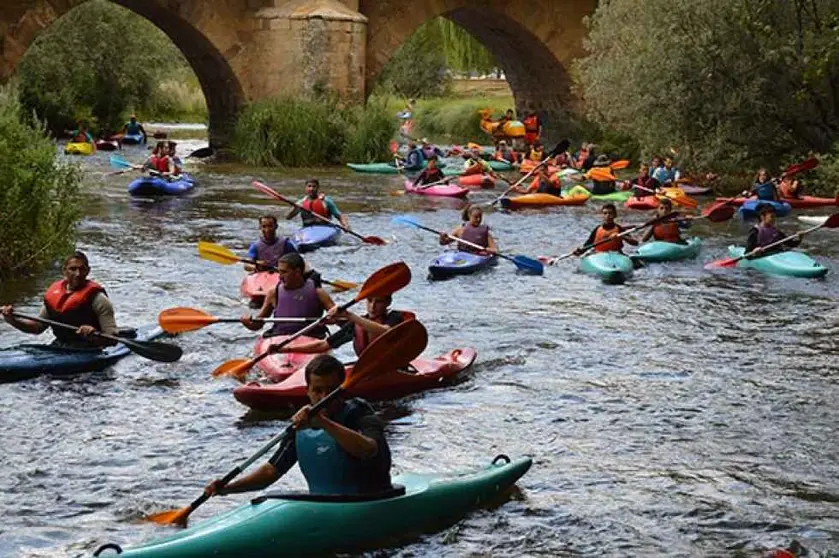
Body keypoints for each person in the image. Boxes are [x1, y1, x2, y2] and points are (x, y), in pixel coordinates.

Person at [204, 354, 392, 497]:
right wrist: (228, 488)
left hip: (371, 499)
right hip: (325, 505)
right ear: (307, 391)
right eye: (318, 390)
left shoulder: (359, 412)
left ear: (341, 390)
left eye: (331, 390)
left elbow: (369, 449)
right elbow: (271, 471)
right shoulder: (301, 424)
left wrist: (324, 423)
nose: (324, 397)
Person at [1, 251, 117, 348]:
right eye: (73, 269)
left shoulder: (99, 300)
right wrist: (12, 320)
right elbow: (37, 328)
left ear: (88, 271)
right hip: (60, 347)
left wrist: (94, 335)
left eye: (82, 269)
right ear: (64, 270)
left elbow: (113, 339)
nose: (77, 274)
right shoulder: (54, 296)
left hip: (92, 351)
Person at [275, 296, 412, 357]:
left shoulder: (395, 317)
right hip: (368, 371)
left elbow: (385, 331)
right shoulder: (357, 325)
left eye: (379, 301)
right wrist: (284, 349)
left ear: (388, 302)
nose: (372, 306)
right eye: (369, 300)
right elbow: (323, 345)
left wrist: (349, 315)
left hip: (393, 369)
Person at [242, 253, 335, 339]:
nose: (280, 277)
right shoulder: (273, 293)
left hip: (311, 339)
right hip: (280, 339)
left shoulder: (319, 293)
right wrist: (248, 323)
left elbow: (340, 319)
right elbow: (258, 324)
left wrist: (333, 318)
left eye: (284, 272)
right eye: (279, 272)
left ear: (297, 272)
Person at [574, 204, 639, 255]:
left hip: (616, 254)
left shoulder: (619, 229)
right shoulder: (597, 229)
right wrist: (579, 251)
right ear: (602, 215)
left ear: (615, 215)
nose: (607, 216)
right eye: (605, 213)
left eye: (610, 213)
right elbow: (587, 246)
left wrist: (622, 236)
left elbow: (635, 243)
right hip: (599, 254)